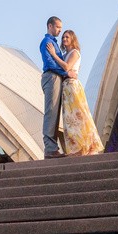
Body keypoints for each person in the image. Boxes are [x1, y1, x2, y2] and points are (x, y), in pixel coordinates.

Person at [46, 30, 104, 156]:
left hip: (72, 86)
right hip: (66, 87)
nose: (64, 39)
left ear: (72, 39)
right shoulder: (65, 54)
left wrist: (53, 54)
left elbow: (67, 67)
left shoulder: (74, 52)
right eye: (63, 37)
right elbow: (64, 69)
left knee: (80, 116)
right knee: (70, 119)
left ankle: (90, 146)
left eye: (67, 37)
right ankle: (77, 148)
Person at [39, 16, 69, 159]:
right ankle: (50, 149)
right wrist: (65, 73)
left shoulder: (54, 43)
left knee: (55, 114)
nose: (59, 31)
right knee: (51, 112)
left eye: (61, 28)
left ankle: (52, 148)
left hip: (56, 77)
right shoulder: (47, 42)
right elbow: (50, 63)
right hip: (52, 77)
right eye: (57, 27)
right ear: (50, 26)